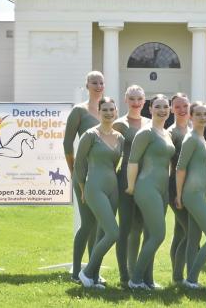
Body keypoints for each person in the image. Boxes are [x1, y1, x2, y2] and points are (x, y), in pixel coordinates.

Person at [125, 94, 176, 290]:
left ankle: (148, 280)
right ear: (150, 109)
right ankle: (135, 279)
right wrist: (131, 186)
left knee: (150, 235)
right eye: (158, 106)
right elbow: (132, 160)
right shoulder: (145, 133)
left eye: (165, 106)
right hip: (146, 187)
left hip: (162, 189)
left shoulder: (166, 134)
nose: (162, 110)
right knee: (158, 235)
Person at [75, 97, 125, 288]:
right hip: (94, 187)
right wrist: (82, 189)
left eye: (112, 109)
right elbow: (80, 164)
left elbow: (114, 165)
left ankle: (94, 277)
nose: (108, 113)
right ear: (99, 111)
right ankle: (86, 272)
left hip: (113, 189)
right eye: (104, 109)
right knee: (114, 232)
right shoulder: (90, 135)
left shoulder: (119, 137)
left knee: (102, 233)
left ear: (116, 112)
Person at [63, 71, 104, 281]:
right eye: (94, 82)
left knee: (98, 224)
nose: (98, 86)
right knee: (88, 223)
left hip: (102, 174)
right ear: (86, 85)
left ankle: (92, 270)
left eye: (101, 82)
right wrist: (73, 170)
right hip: (83, 174)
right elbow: (67, 144)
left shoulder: (107, 109)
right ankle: (76, 271)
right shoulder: (78, 111)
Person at [175, 101, 206, 289]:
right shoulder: (191, 138)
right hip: (191, 195)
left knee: (193, 239)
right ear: (191, 117)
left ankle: (185, 280)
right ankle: (191, 278)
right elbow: (180, 167)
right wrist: (178, 196)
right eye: (198, 114)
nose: (203, 117)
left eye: (205, 114)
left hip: (199, 194)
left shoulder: (201, 137)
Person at [113, 85, 150, 286]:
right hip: (125, 180)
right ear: (126, 100)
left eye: (139, 99)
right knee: (125, 228)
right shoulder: (119, 124)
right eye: (132, 98)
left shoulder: (150, 123)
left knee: (140, 227)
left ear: (144, 101)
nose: (136, 102)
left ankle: (137, 271)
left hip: (146, 181)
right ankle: (124, 276)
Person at [167, 93, 192, 284]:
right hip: (176, 188)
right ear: (171, 109)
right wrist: (178, 193)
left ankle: (177, 276)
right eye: (178, 107)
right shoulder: (171, 133)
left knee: (179, 231)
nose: (182, 110)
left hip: (192, 188)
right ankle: (178, 277)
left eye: (185, 106)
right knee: (190, 230)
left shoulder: (193, 129)